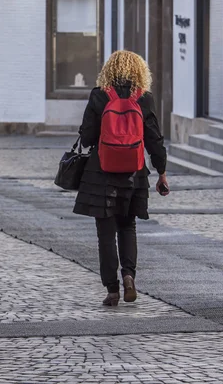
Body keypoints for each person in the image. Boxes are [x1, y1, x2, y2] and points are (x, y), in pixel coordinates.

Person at [73, 50, 169, 306]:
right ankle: (129, 277)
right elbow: (154, 139)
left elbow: (87, 137)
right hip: (133, 173)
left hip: (100, 173)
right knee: (128, 226)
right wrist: (161, 171)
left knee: (105, 232)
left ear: (108, 70)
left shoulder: (99, 95)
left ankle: (112, 290)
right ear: (139, 71)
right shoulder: (144, 98)